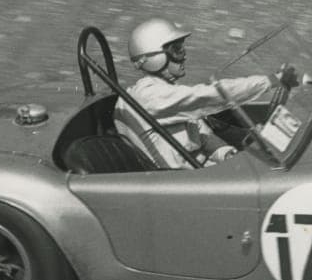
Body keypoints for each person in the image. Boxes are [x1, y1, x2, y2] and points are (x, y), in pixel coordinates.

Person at [113, 18, 299, 170]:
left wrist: (226, 153)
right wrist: (271, 81)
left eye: (182, 48)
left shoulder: (165, 93)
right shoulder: (149, 97)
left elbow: (200, 133)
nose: (184, 55)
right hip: (184, 186)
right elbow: (210, 96)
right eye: (176, 50)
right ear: (155, 57)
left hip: (202, 174)